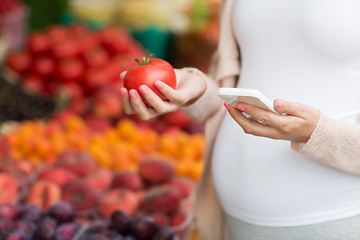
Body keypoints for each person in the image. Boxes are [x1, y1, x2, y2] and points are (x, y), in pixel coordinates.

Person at [119, 0, 360, 239]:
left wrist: (319, 134)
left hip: (333, 215)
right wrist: (197, 91)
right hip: (236, 216)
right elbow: (234, 91)